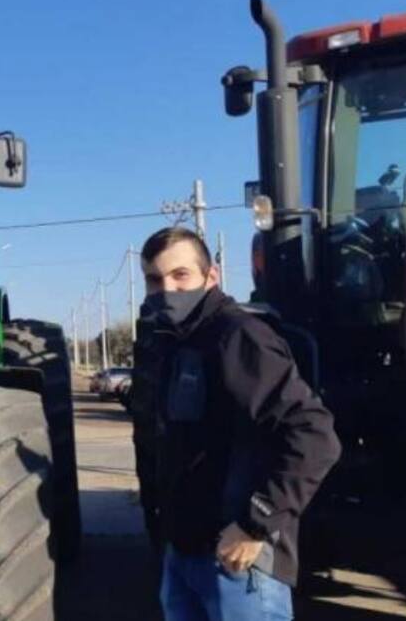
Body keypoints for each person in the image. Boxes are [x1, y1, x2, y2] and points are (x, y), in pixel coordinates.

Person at [131, 226, 341, 621]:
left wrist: (255, 524)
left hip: (237, 564)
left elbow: (314, 436)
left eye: (181, 276)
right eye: (155, 279)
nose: (167, 290)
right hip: (184, 556)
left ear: (211, 276)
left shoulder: (239, 337)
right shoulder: (177, 343)